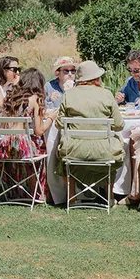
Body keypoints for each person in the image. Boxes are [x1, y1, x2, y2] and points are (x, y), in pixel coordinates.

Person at [56, 60, 125, 202]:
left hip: (74, 150)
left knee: (64, 158)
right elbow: (119, 125)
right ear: (96, 78)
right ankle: (110, 196)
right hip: (104, 150)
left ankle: (71, 197)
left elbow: (59, 124)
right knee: (115, 148)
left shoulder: (68, 95)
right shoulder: (106, 94)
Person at [0, 68, 54, 202]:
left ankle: (17, 191)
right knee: (44, 146)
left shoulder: (10, 98)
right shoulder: (35, 99)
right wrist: (51, 118)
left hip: (3, 148)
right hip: (23, 149)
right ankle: (38, 192)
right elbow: (39, 131)